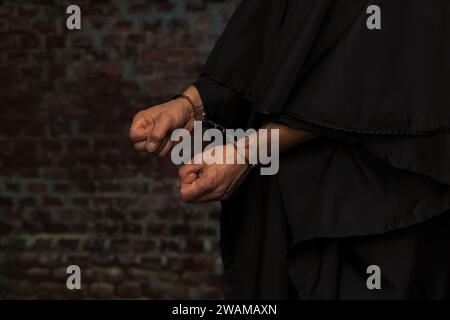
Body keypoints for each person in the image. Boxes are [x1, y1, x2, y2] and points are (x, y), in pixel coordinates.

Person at [129, 0, 450, 299]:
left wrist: (249, 152)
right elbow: (273, 24)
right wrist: (194, 104)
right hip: (286, 196)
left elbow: (380, 80)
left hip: (378, 204)